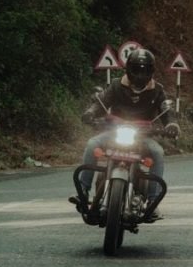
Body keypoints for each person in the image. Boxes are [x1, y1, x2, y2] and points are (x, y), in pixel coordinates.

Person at [75, 48, 179, 214]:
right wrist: (90, 112)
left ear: (151, 71)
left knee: (158, 152)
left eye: (144, 70)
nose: (140, 74)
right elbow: (101, 102)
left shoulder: (158, 90)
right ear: (129, 69)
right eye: (136, 69)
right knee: (91, 143)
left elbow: (167, 111)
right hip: (114, 132)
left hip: (143, 135)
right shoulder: (116, 85)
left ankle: (152, 200)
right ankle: (83, 190)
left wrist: (172, 125)